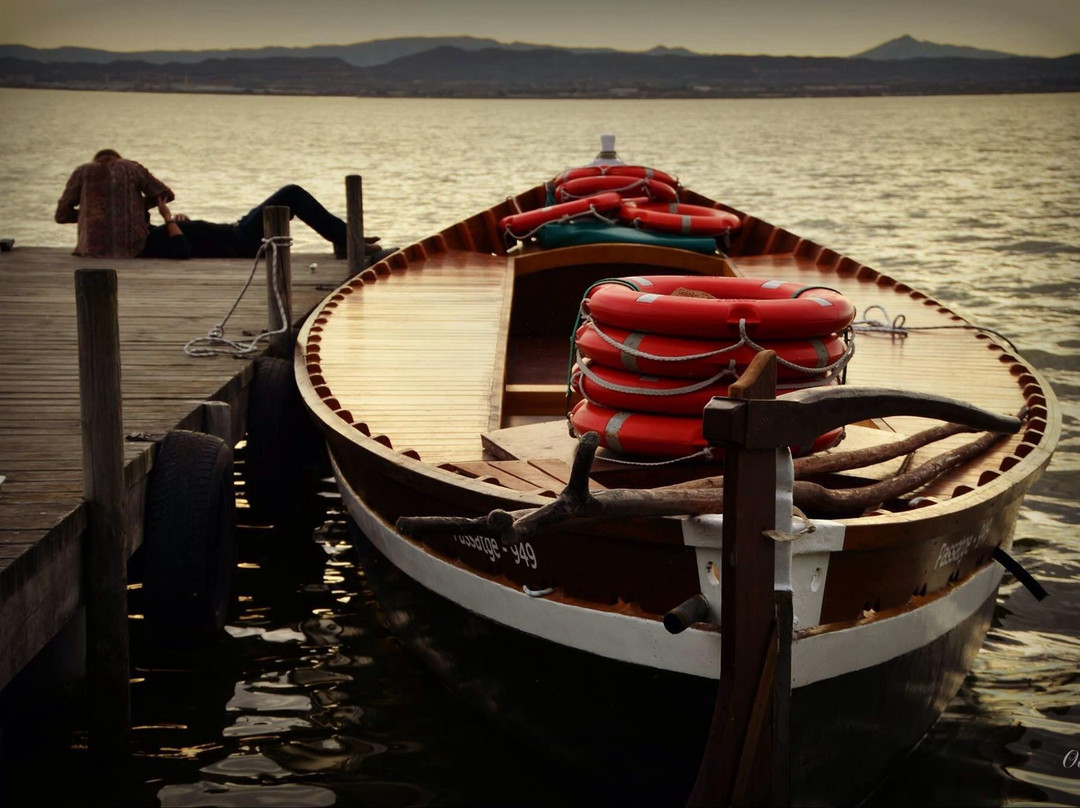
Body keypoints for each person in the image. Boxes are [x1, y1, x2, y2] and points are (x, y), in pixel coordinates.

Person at [143, 184, 389, 262]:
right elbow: (182, 251)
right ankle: (346, 240)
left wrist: (179, 223)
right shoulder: (151, 241)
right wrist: (168, 220)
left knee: (291, 197)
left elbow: (185, 240)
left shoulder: (154, 234)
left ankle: (344, 239)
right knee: (291, 193)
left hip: (236, 231)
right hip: (240, 241)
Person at [55, 148, 174, 258]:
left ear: (95, 160)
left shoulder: (82, 171)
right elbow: (165, 194)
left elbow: (61, 215)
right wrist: (134, 207)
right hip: (134, 249)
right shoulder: (133, 168)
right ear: (119, 158)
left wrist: (93, 214)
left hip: (91, 249)